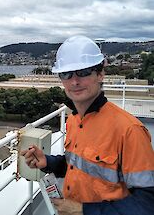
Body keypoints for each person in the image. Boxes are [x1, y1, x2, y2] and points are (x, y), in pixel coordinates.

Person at [21, 36, 154, 215]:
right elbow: (76, 166)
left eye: (83, 72)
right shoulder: (74, 121)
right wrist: (48, 162)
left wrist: (83, 210)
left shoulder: (129, 130)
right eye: (66, 74)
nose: (74, 81)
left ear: (100, 74)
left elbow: (147, 204)